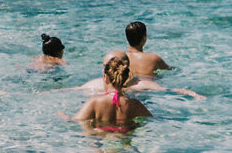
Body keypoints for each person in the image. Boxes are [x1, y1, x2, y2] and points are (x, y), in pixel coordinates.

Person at [60, 53, 152, 133]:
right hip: (125, 141)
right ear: (125, 79)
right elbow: (151, 119)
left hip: (102, 139)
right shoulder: (134, 104)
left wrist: (62, 116)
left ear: (105, 77)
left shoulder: (94, 102)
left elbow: (74, 122)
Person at [72, 50, 203, 99]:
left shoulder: (95, 85)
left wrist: (190, 93)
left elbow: (168, 90)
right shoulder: (141, 85)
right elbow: (167, 90)